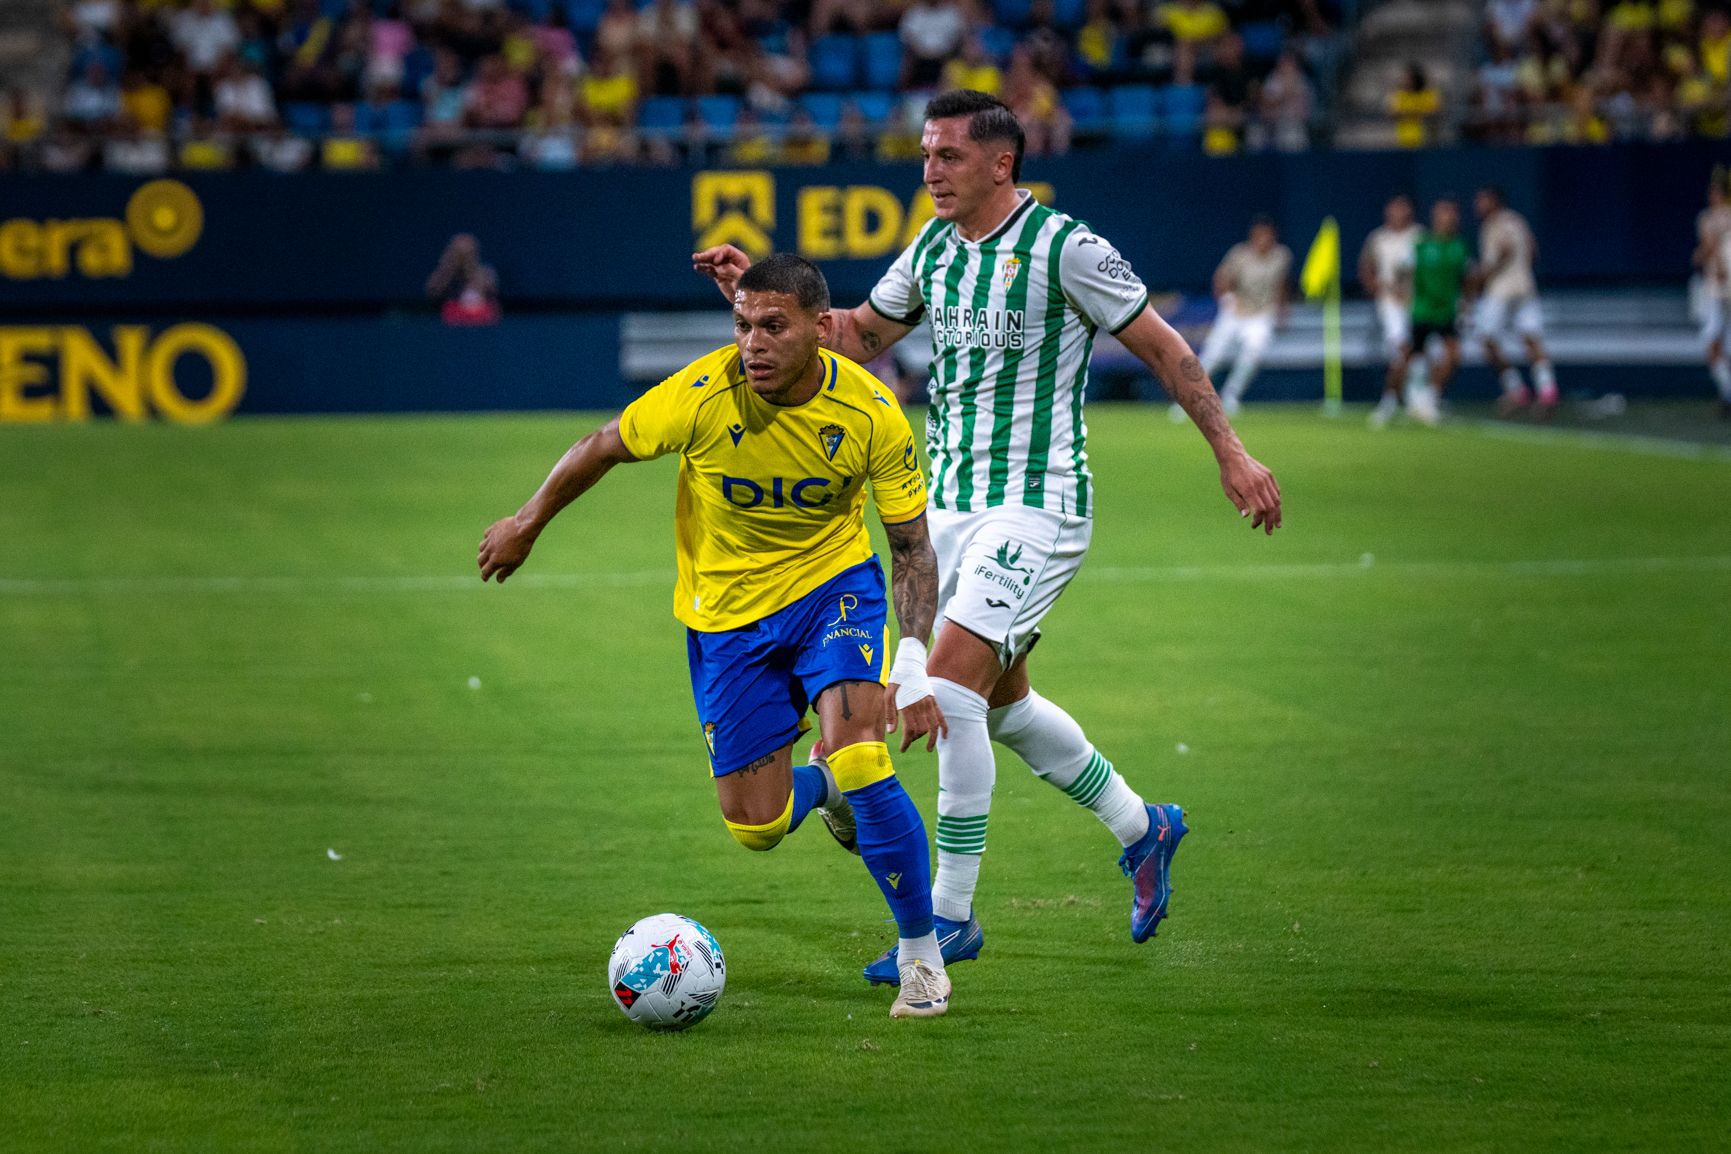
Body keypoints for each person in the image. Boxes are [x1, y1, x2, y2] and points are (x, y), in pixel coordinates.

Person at [693, 90, 1282, 987]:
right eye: (925, 155)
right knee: (1003, 706)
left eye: (947, 156)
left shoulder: (1066, 249)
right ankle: (1143, 828)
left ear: (1000, 163)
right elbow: (852, 335)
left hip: (1036, 507)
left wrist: (1230, 452)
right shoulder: (932, 249)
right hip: (944, 507)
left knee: (948, 691)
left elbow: (1165, 348)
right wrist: (752, 295)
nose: (929, 171)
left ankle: (949, 919)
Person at [476, 255, 956, 1019]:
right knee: (756, 826)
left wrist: (912, 664)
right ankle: (823, 788)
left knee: (865, 754)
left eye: (772, 326)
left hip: (832, 590)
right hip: (725, 619)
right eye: (741, 325)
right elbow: (604, 444)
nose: (752, 344)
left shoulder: (871, 414)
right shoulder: (701, 394)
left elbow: (910, 548)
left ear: (820, 330)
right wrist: (526, 522)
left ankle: (922, 959)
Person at [1189, 215, 1292, 417]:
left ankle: (1231, 395)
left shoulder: (1282, 255)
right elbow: (1221, 278)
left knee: (1254, 351)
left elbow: (1282, 283)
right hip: (1236, 310)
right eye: (1259, 234)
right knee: (1213, 354)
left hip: (1262, 314)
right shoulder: (1239, 253)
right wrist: (1227, 300)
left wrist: (1281, 307)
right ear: (1253, 235)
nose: (1263, 239)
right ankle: (1191, 397)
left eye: (1267, 235)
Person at [1385, 197, 1474, 428]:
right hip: (1422, 311)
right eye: (1443, 213)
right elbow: (1402, 271)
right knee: (1405, 358)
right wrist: (1401, 293)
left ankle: (1428, 400)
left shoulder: (1459, 247)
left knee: (1454, 357)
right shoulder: (1421, 244)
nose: (1448, 218)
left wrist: (1467, 305)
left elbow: (1467, 279)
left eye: (1452, 213)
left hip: (1446, 313)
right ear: (1435, 216)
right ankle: (1388, 401)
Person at [1474, 186, 1558, 417]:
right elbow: (1532, 249)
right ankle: (1547, 390)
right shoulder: (1518, 221)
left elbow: (1505, 250)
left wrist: (1483, 276)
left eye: (1482, 200)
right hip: (1525, 287)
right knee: (1532, 339)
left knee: (1487, 340)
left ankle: (1516, 390)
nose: (1478, 204)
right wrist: (1523, 273)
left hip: (1501, 290)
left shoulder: (1496, 224)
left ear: (1495, 201)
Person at [1362, 194, 1421, 428]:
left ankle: (1417, 400)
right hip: (1389, 303)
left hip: (1417, 302)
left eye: (1402, 207)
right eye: (1393, 207)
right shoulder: (1378, 238)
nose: (1397, 212)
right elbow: (1366, 266)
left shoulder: (1420, 236)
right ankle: (1390, 401)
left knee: (1419, 354)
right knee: (1401, 350)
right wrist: (1376, 287)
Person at [1693, 169, 1731, 416]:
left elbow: (1705, 253)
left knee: (1714, 342)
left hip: (1721, 288)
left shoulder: (1714, 219)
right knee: (1718, 343)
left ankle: (1728, 393)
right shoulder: (1711, 218)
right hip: (1718, 288)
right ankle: (1727, 393)